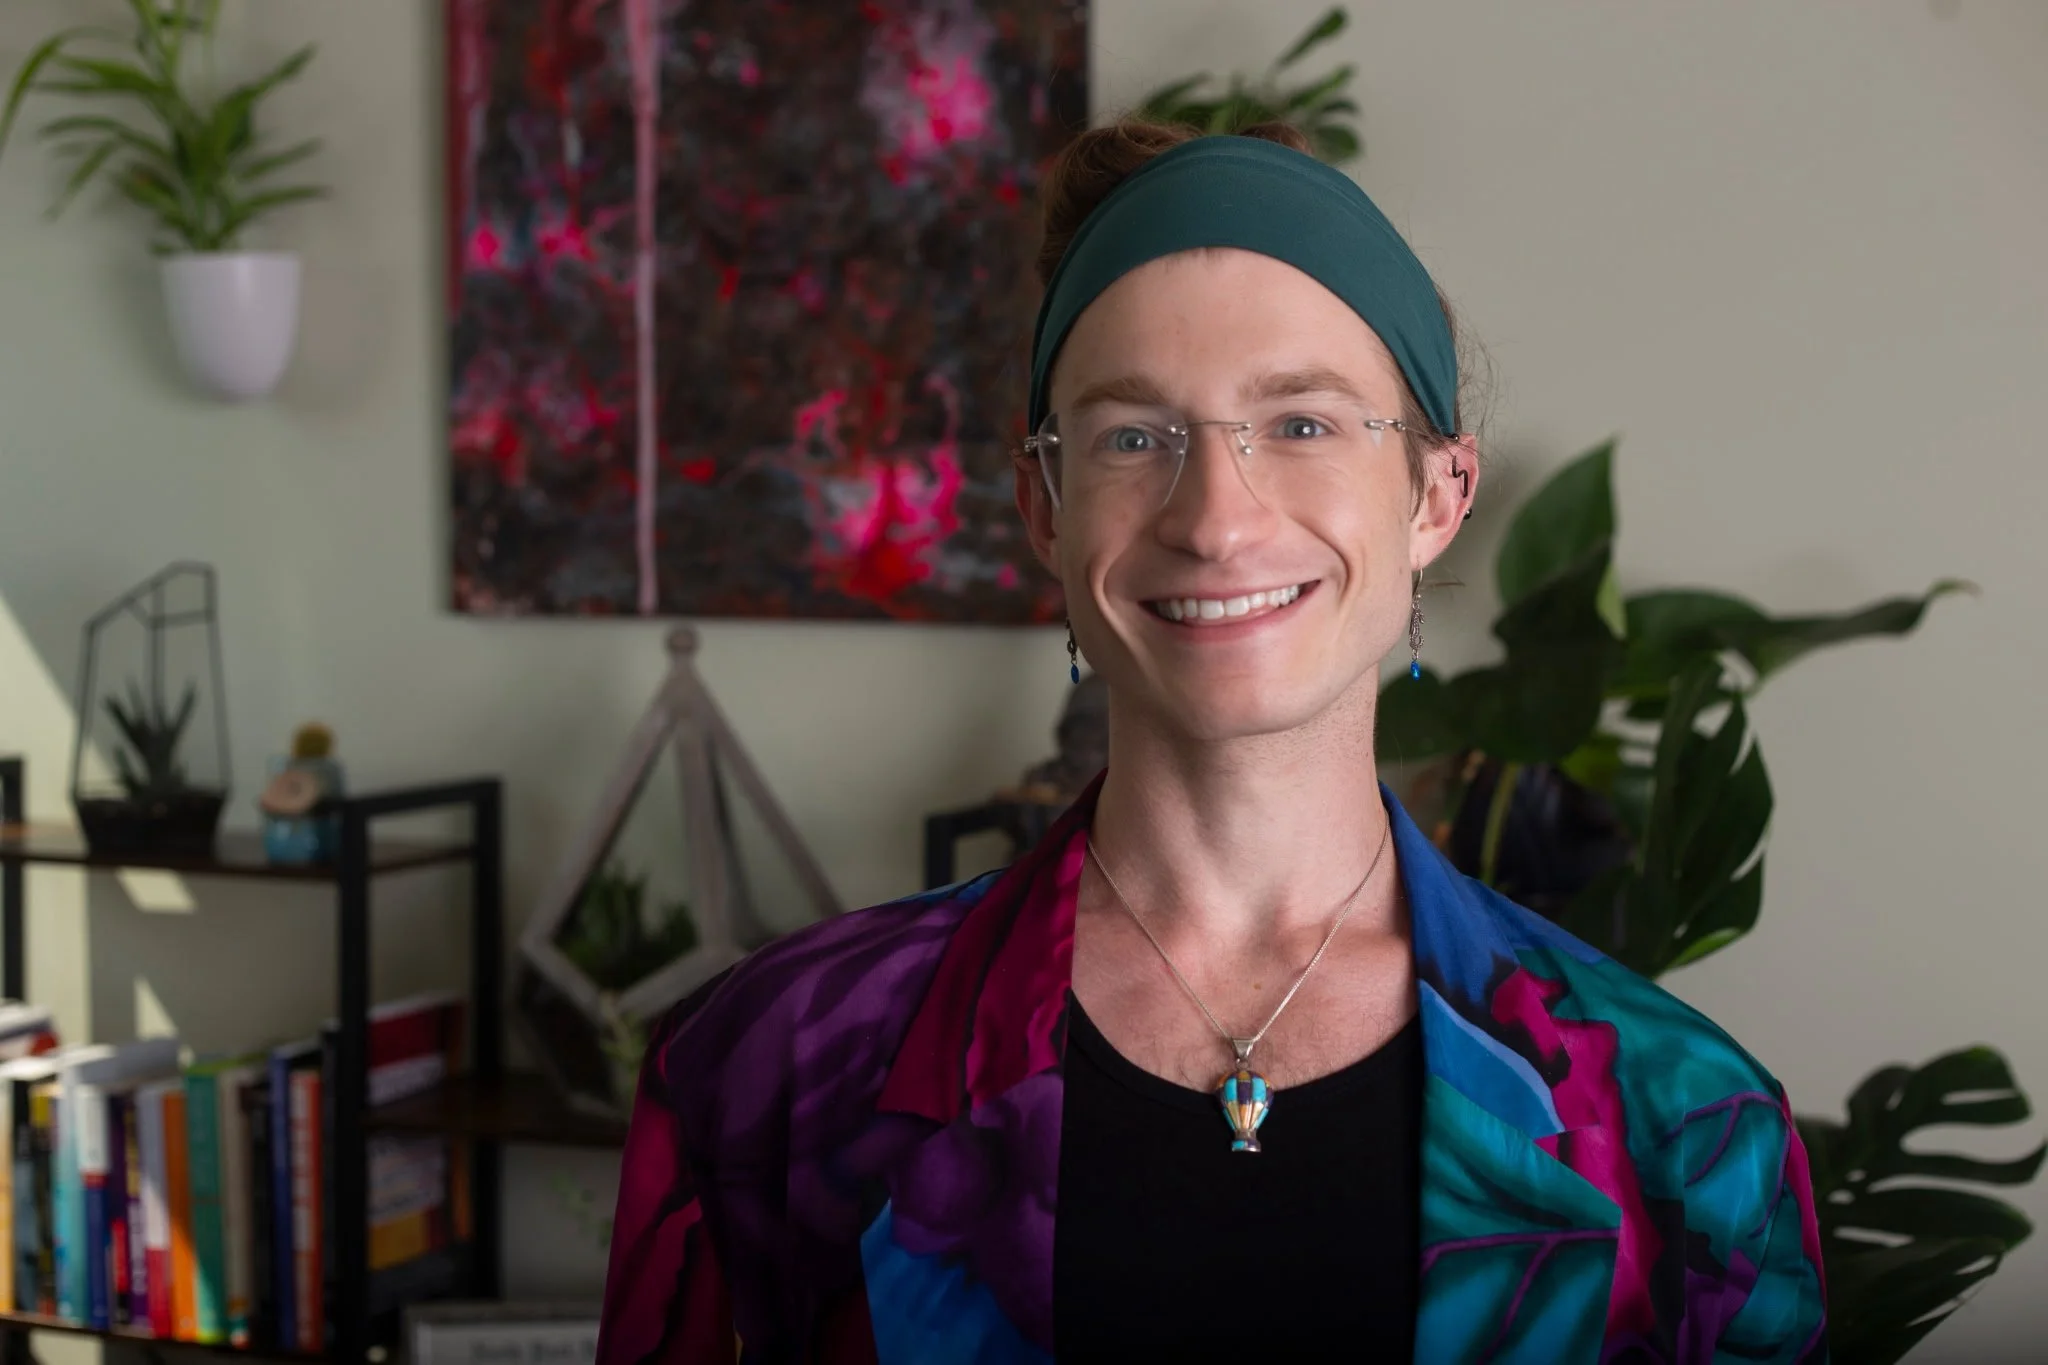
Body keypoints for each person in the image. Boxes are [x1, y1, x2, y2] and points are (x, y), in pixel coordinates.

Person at [595, 120, 1828, 1364]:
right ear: (1042, 506)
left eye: (1299, 423)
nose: (1215, 521)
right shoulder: (769, 1070)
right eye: (1134, 437)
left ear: (1436, 496)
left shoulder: (1686, 1128)